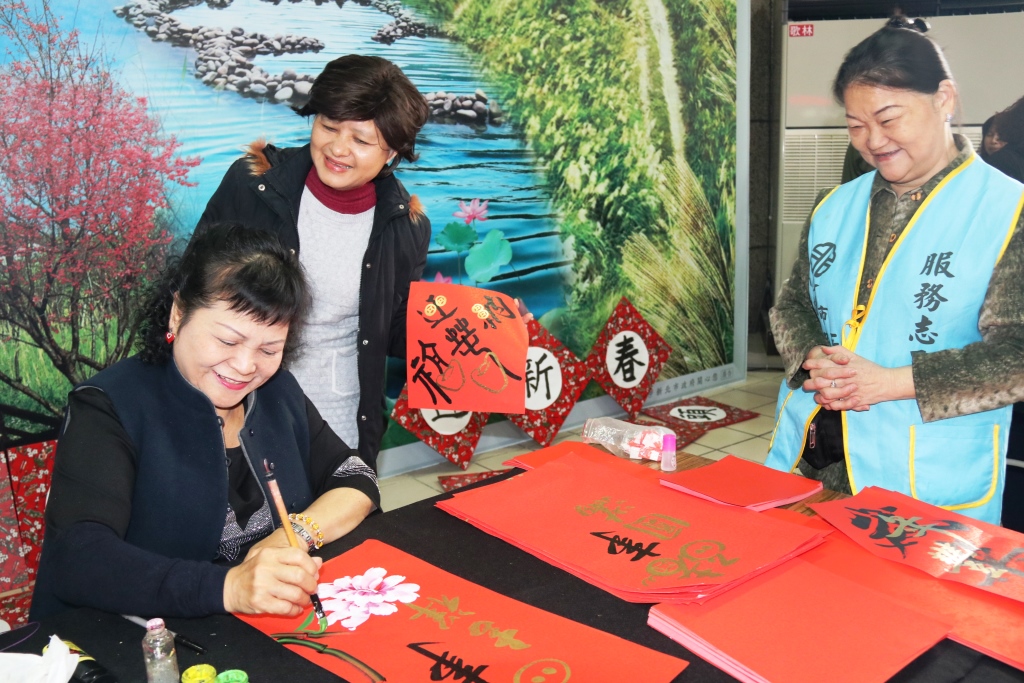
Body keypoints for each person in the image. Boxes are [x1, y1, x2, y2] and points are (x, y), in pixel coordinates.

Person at [31, 224, 377, 620]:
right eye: (228, 341)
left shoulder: (277, 391)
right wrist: (230, 587)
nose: (246, 367)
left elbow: (355, 477)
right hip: (132, 638)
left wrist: (292, 535)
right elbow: (79, 558)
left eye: (269, 348)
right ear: (179, 314)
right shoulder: (109, 406)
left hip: (254, 633)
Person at [767, 15, 1024, 525]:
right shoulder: (834, 205)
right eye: (855, 124)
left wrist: (888, 383)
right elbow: (792, 302)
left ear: (944, 99)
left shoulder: (1008, 211)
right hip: (814, 460)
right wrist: (814, 359)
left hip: (925, 475)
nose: (872, 141)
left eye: (888, 119)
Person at [196, 54, 431, 482]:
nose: (338, 149)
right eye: (328, 126)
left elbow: (392, 327)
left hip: (338, 417)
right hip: (238, 404)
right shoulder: (254, 186)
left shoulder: (405, 227)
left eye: (361, 140)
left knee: (333, 537)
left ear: (392, 150)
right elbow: (192, 288)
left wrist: (470, 332)